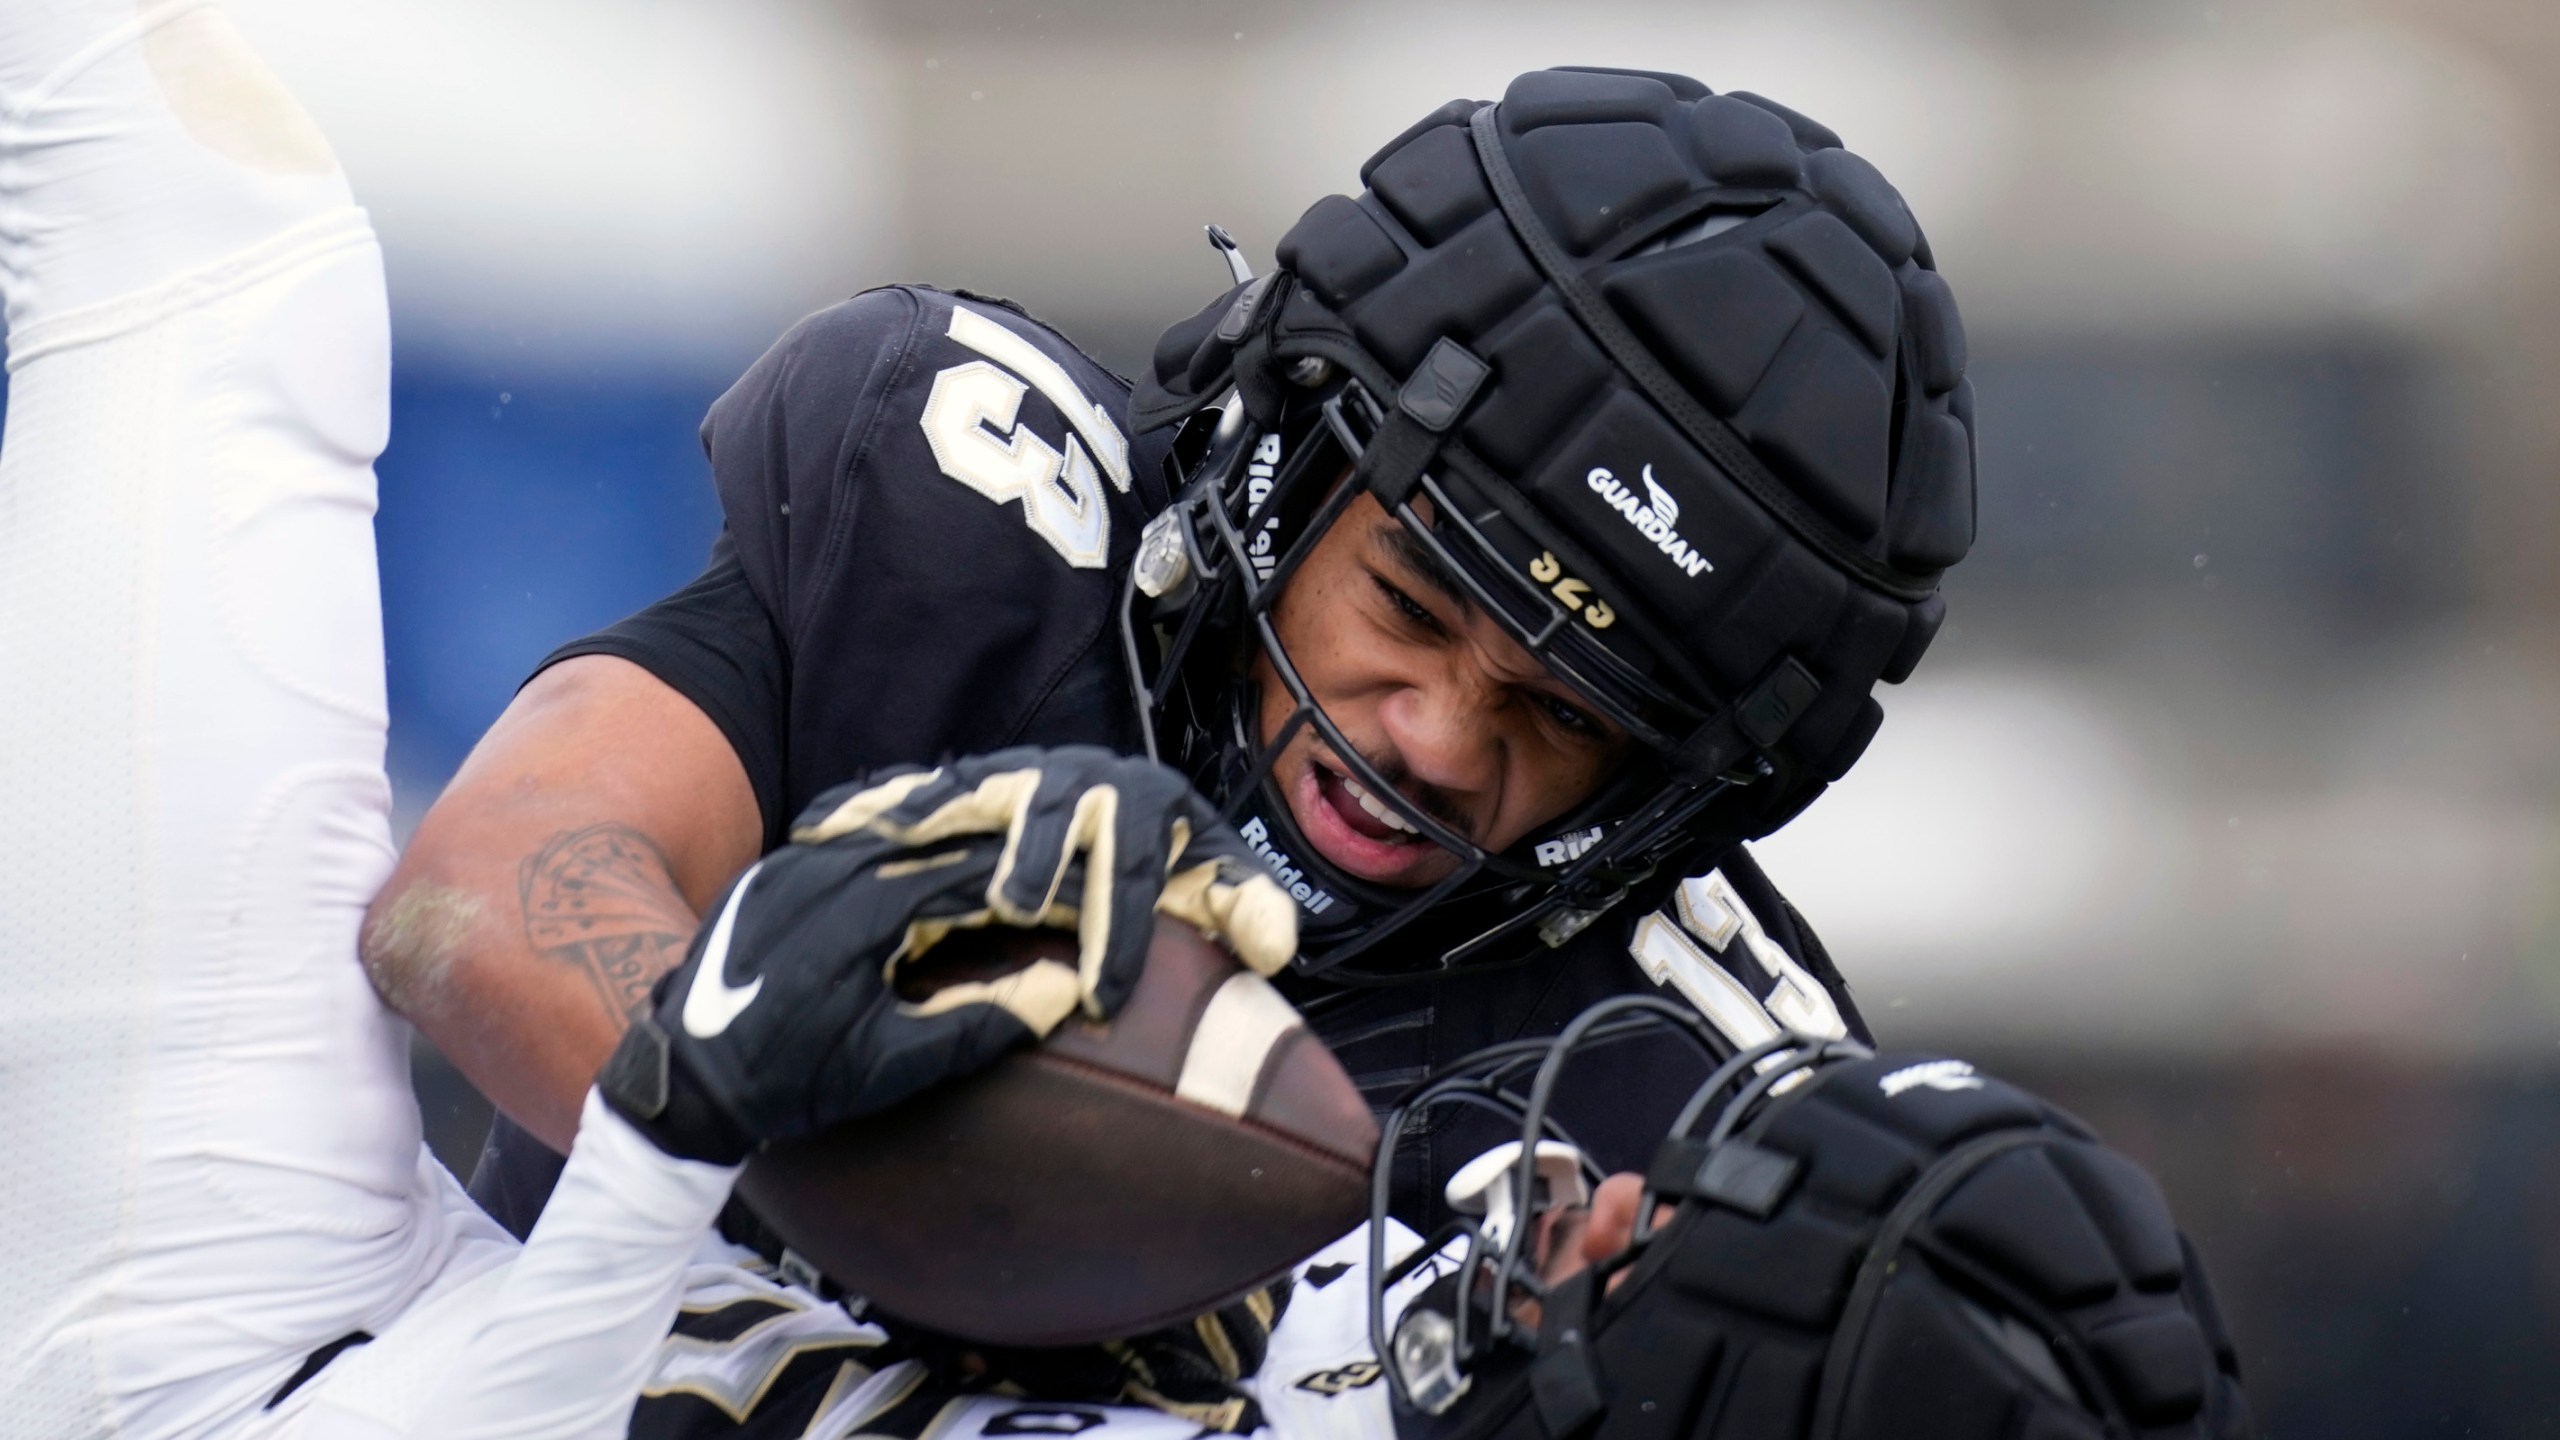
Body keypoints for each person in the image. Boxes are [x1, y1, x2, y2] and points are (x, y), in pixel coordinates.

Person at [365, 63, 1979, 1251]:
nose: (1430, 736)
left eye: (1558, 713)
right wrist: (876, 1187)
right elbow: (477, 900)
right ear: (1286, 461)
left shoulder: (1690, 1098)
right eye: (1410, 606)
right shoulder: (979, 505)